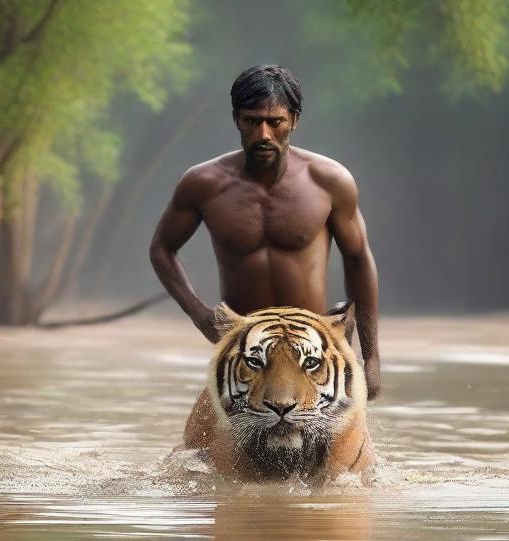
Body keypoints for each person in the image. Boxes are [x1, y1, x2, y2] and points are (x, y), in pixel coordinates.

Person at [149, 64, 381, 400]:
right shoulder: (203, 184)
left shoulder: (329, 181)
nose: (263, 135)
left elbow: (358, 260)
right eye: (252, 121)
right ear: (235, 119)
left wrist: (371, 357)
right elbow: (161, 248)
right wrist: (200, 315)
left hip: (313, 347)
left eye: (275, 122)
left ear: (294, 120)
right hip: (244, 351)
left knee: (345, 450)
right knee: (200, 448)